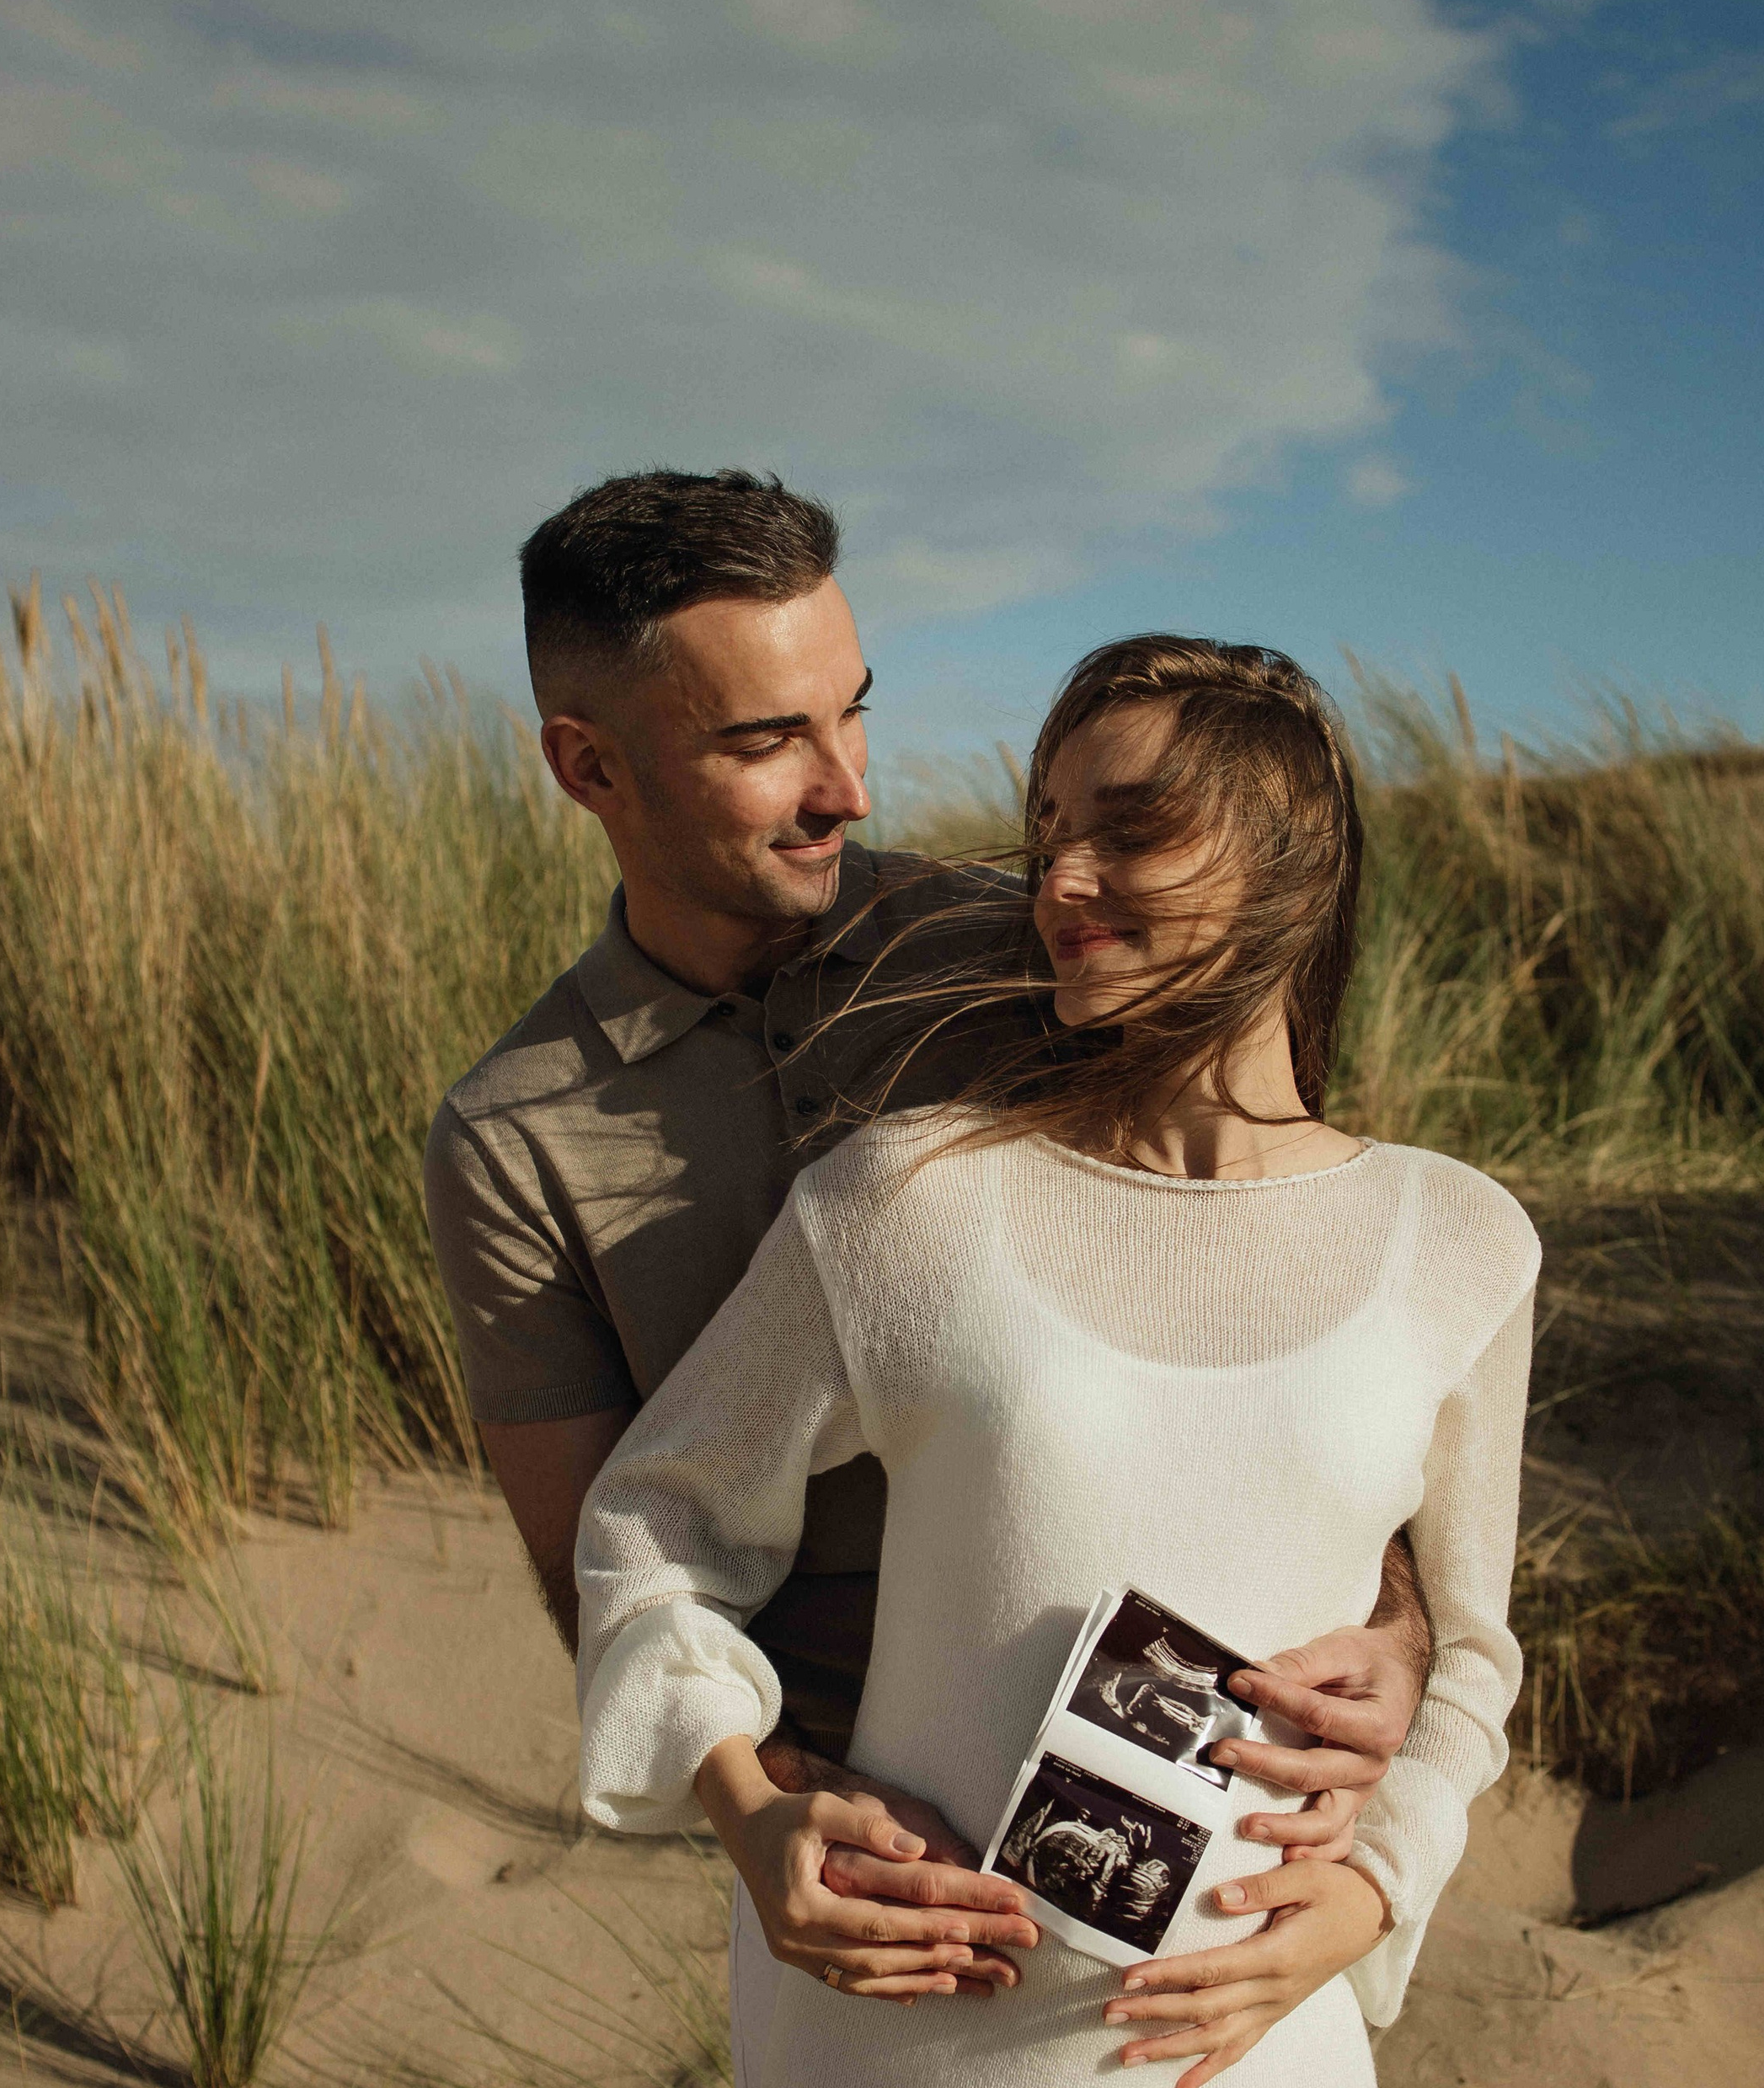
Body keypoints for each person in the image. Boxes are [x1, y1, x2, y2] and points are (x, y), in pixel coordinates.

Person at [573, 633, 1541, 2088]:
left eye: (1133, 827)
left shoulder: (1455, 1245)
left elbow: (1476, 1656)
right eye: (1045, 835)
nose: (1066, 882)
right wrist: (753, 1809)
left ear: (1296, 852)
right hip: (916, 2073)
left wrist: (1374, 1888)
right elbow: (657, 1527)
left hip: (1241, 2085)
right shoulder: (916, 1205)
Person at [425, 468, 1432, 1977]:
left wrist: (1400, 1633)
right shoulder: (511, 1137)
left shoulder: (1033, 943)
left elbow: (1294, 1282)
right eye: (769, 740)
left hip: (1201, 1800)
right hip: (884, 1863)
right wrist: (763, 1814)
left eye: (854, 710)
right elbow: (610, 1552)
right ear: (589, 767)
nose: (850, 787)